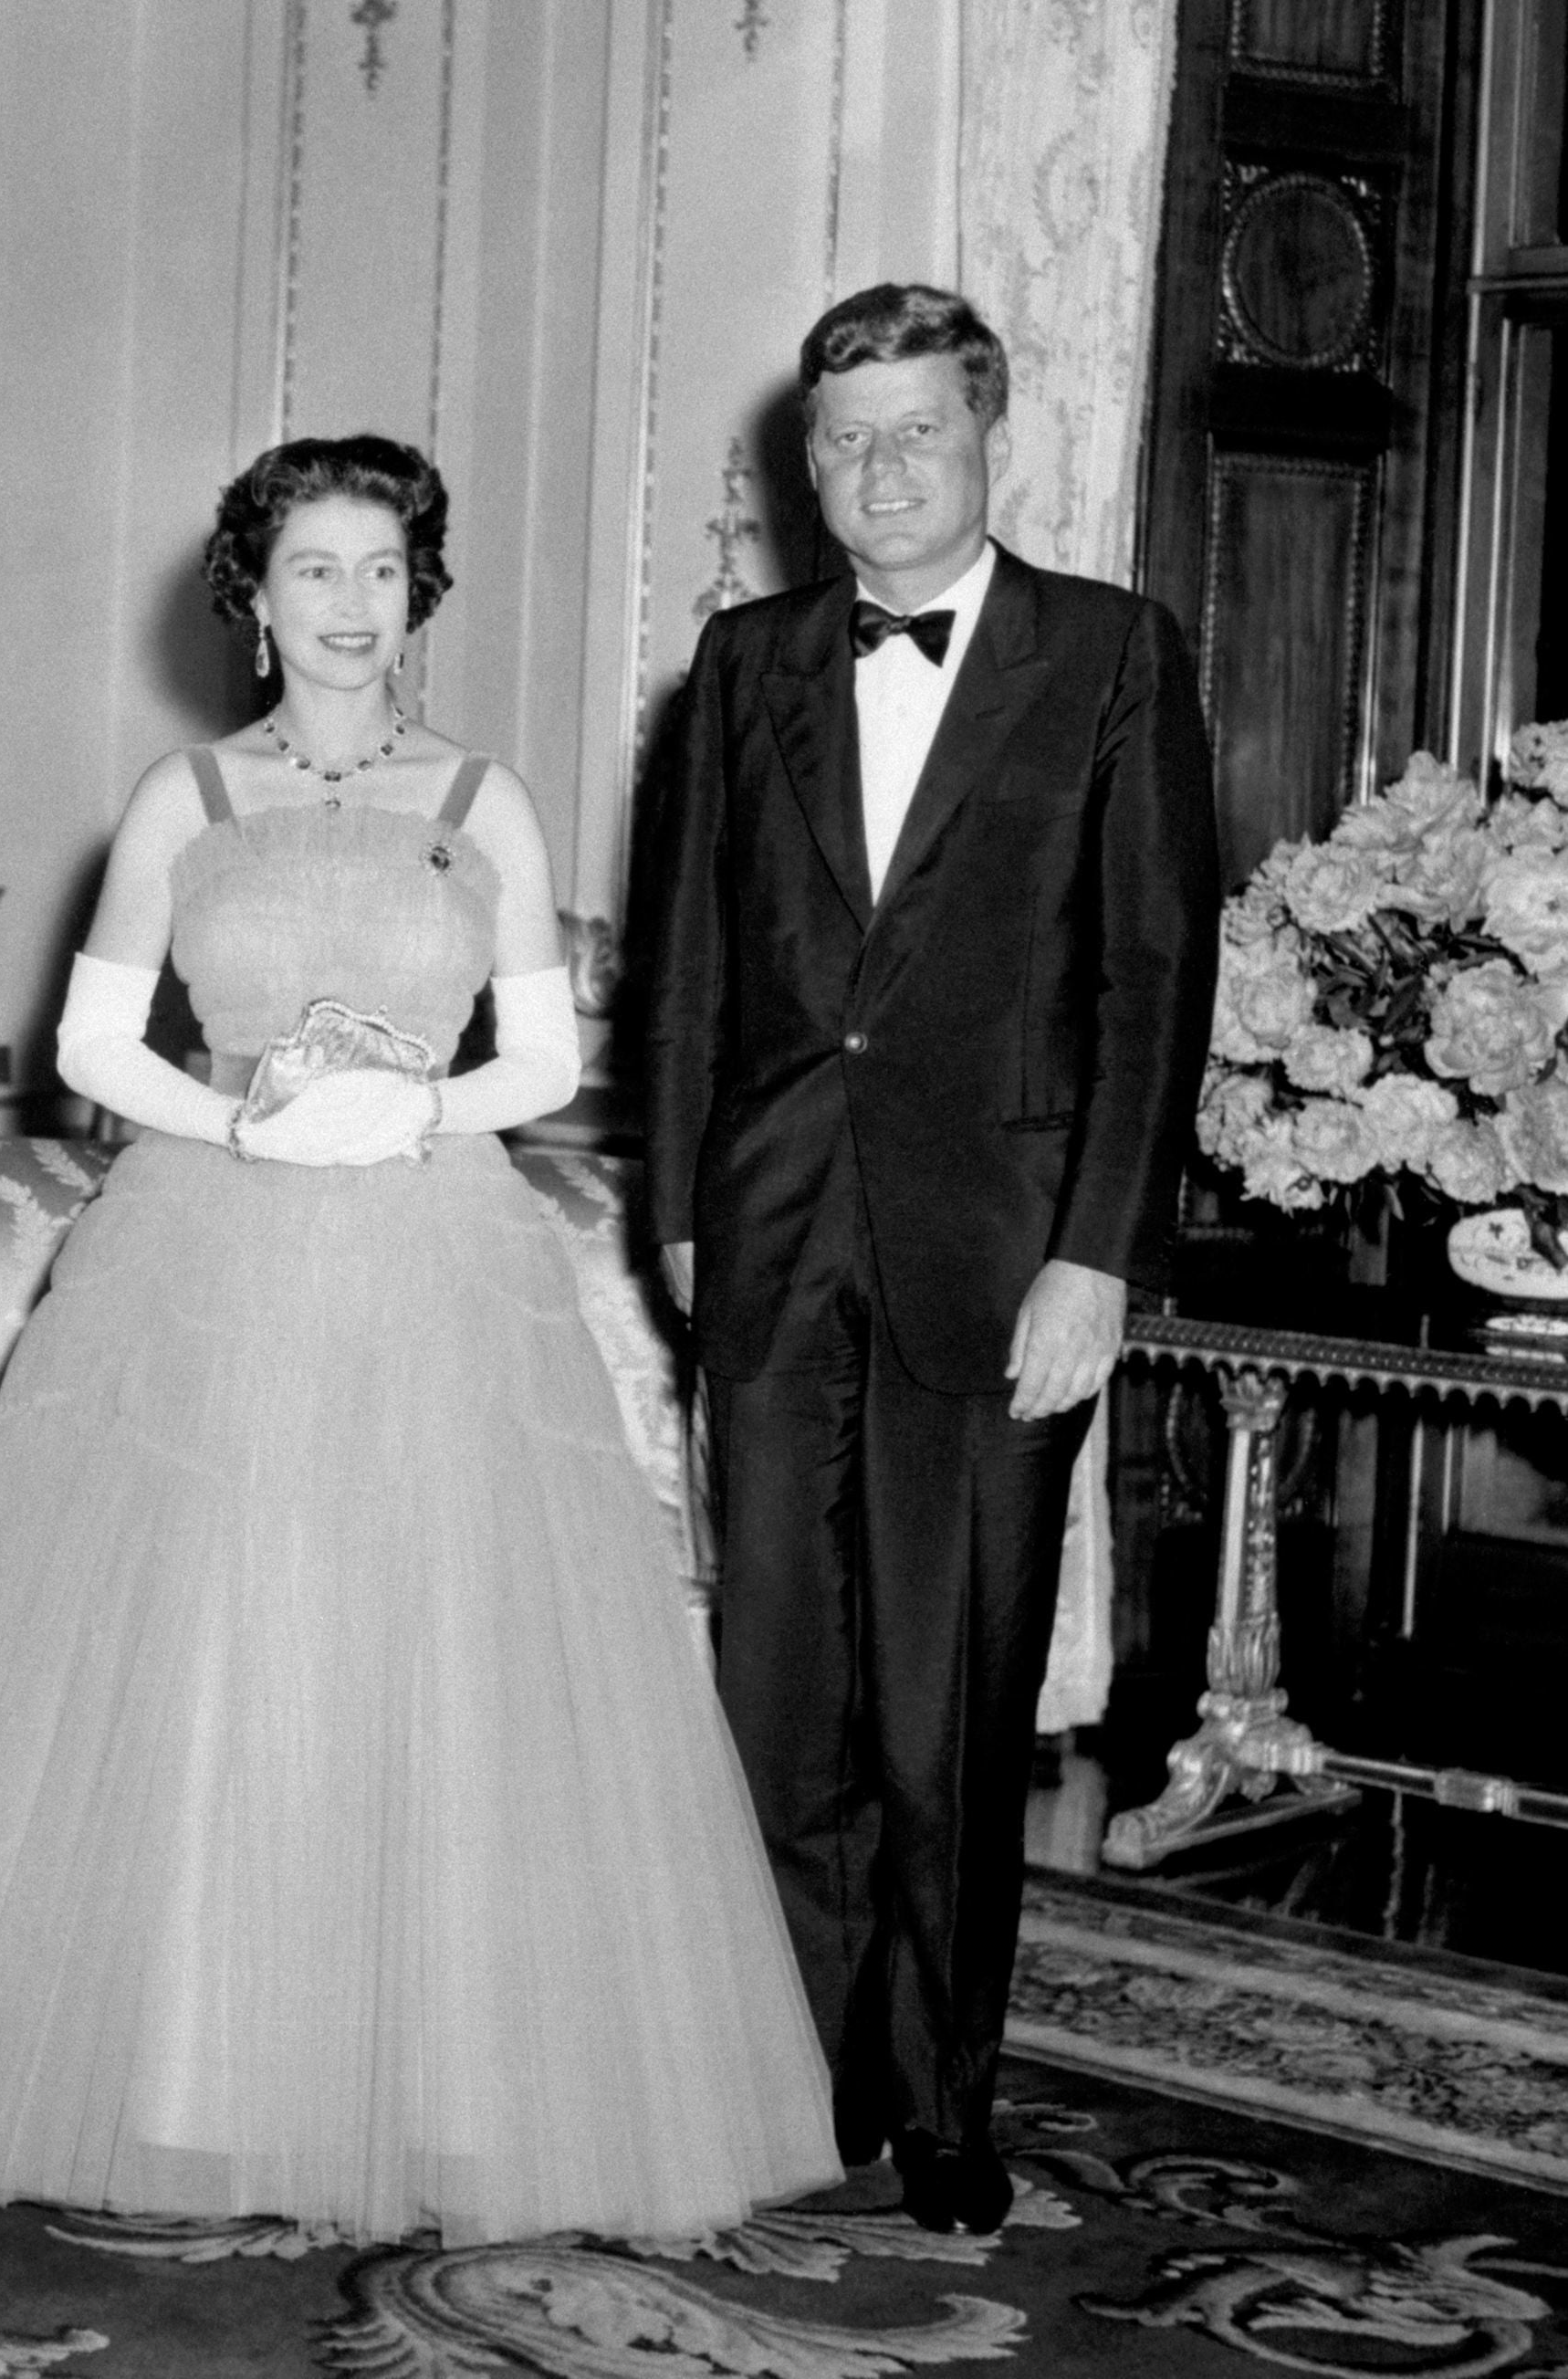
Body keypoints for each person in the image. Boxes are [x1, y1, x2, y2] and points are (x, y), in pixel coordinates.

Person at [0, 435, 843, 2245]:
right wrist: (248, 1119)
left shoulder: (484, 799)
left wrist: (412, 1109)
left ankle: (442, 2084)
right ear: (251, 598)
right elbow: (91, 1046)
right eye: (311, 569)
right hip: (211, 1253)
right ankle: (201, 2079)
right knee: (223, 1644)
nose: (346, 605)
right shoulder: (187, 798)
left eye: (379, 569)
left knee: (434, 1652)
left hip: (432, 1257)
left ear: (419, 593)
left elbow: (551, 1058)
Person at [625, 285, 1217, 2235]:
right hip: (774, 1240)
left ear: (987, 444)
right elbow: (692, 957)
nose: (877, 473)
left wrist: (1100, 1257)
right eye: (843, 440)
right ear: (805, 465)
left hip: (1003, 1259)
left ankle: (947, 2090)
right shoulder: (741, 663)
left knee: (945, 1712)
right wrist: (689, 1219)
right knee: (777, 1692)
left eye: (915, 436)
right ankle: (802, 2077)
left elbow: (1151, 981)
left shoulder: (1110, 656)